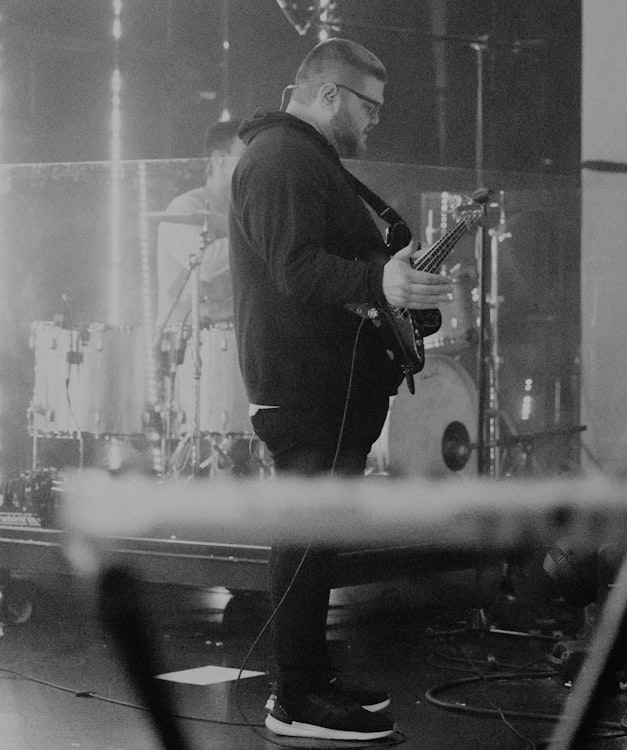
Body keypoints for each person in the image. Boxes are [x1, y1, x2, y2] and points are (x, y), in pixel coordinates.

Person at [229, 39, 453, 741]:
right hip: (304, 386)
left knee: (317, 536)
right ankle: (296, 699)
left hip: (326, 381)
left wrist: (394, 290)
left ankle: (309, 680)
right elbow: (295, 269)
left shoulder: (300, 158)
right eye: (370, 106)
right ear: (330, 96)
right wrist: (377, 281)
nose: (376, 122)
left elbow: (326, 264)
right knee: (306, 535)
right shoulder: (281, 158)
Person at [156, 120, 244, 331]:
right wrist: (252, 237)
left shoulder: (245, 209)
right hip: (186, 336)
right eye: (246, 155)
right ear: (220, 158)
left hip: (236, 332)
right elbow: (206, 264)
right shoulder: (184, 208)